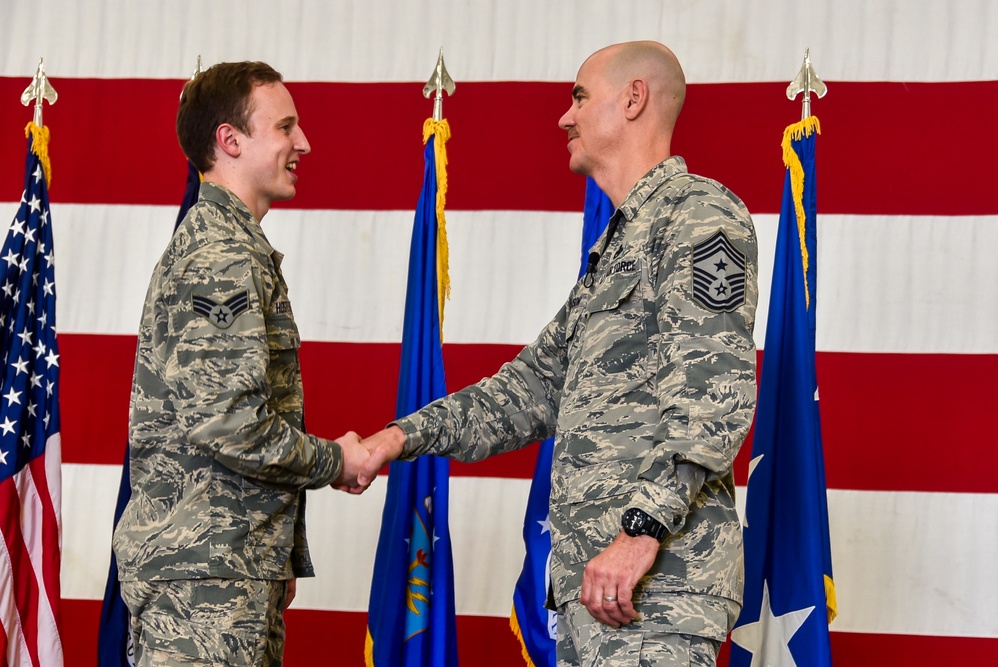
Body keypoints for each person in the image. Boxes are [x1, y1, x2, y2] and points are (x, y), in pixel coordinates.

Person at [358, 41, 758, 666]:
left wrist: (640, 532)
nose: (564, 118)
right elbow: (525, 391)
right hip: (591, 592)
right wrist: (398, 439)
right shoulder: (615, 249)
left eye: (578, 96)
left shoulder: (697, 215)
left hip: (652, 591)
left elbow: (716, 393)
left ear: (633, 99)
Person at [113, 61, 368, 666]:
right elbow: (231, 423)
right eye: (285, 127)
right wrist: (336, 460)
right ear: (230, 141)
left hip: (227, 571)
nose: (302, 143)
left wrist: (275, 554)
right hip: (203, 585)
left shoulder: (234, 248)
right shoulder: (220, 257)